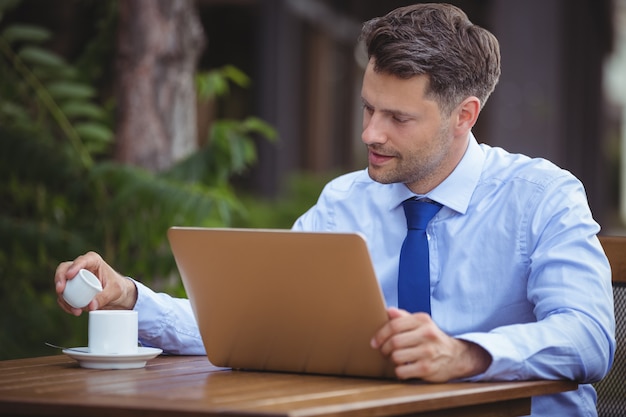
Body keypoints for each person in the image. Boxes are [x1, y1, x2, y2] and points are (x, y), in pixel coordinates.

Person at [54, 3, 615, 416]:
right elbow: (257, 324)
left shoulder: (544, 196)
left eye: (398, 118)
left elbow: (589, 337)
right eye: (368, 107)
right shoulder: (342, 203)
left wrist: (466, 355)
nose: (370, 132)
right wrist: (130, 299)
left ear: (464, 115)